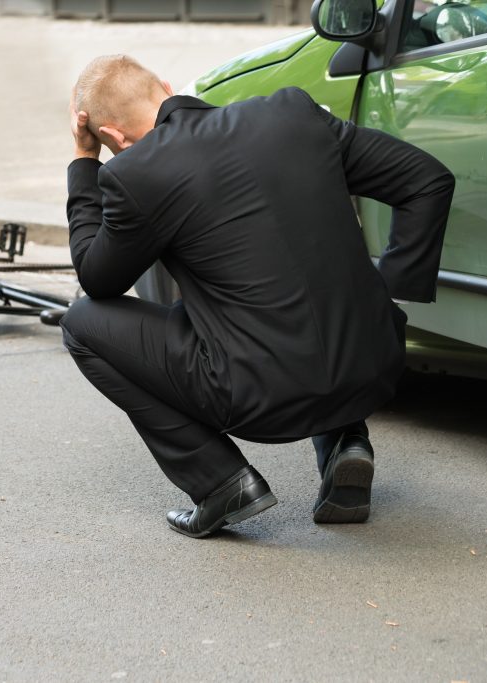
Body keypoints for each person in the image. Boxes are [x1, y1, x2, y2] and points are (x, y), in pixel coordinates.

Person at [61, 55, 454, 538]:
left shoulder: (136, 172)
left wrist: (84, 162)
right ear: (164, 86)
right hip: (375, 363)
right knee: (261, 291)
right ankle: (345, 439)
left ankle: (220, 482)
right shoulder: (291, 113)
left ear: (115, 139)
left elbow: (98, 281)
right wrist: (384, 302)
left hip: (260, 398)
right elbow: (427, 181)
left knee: (82, 323)